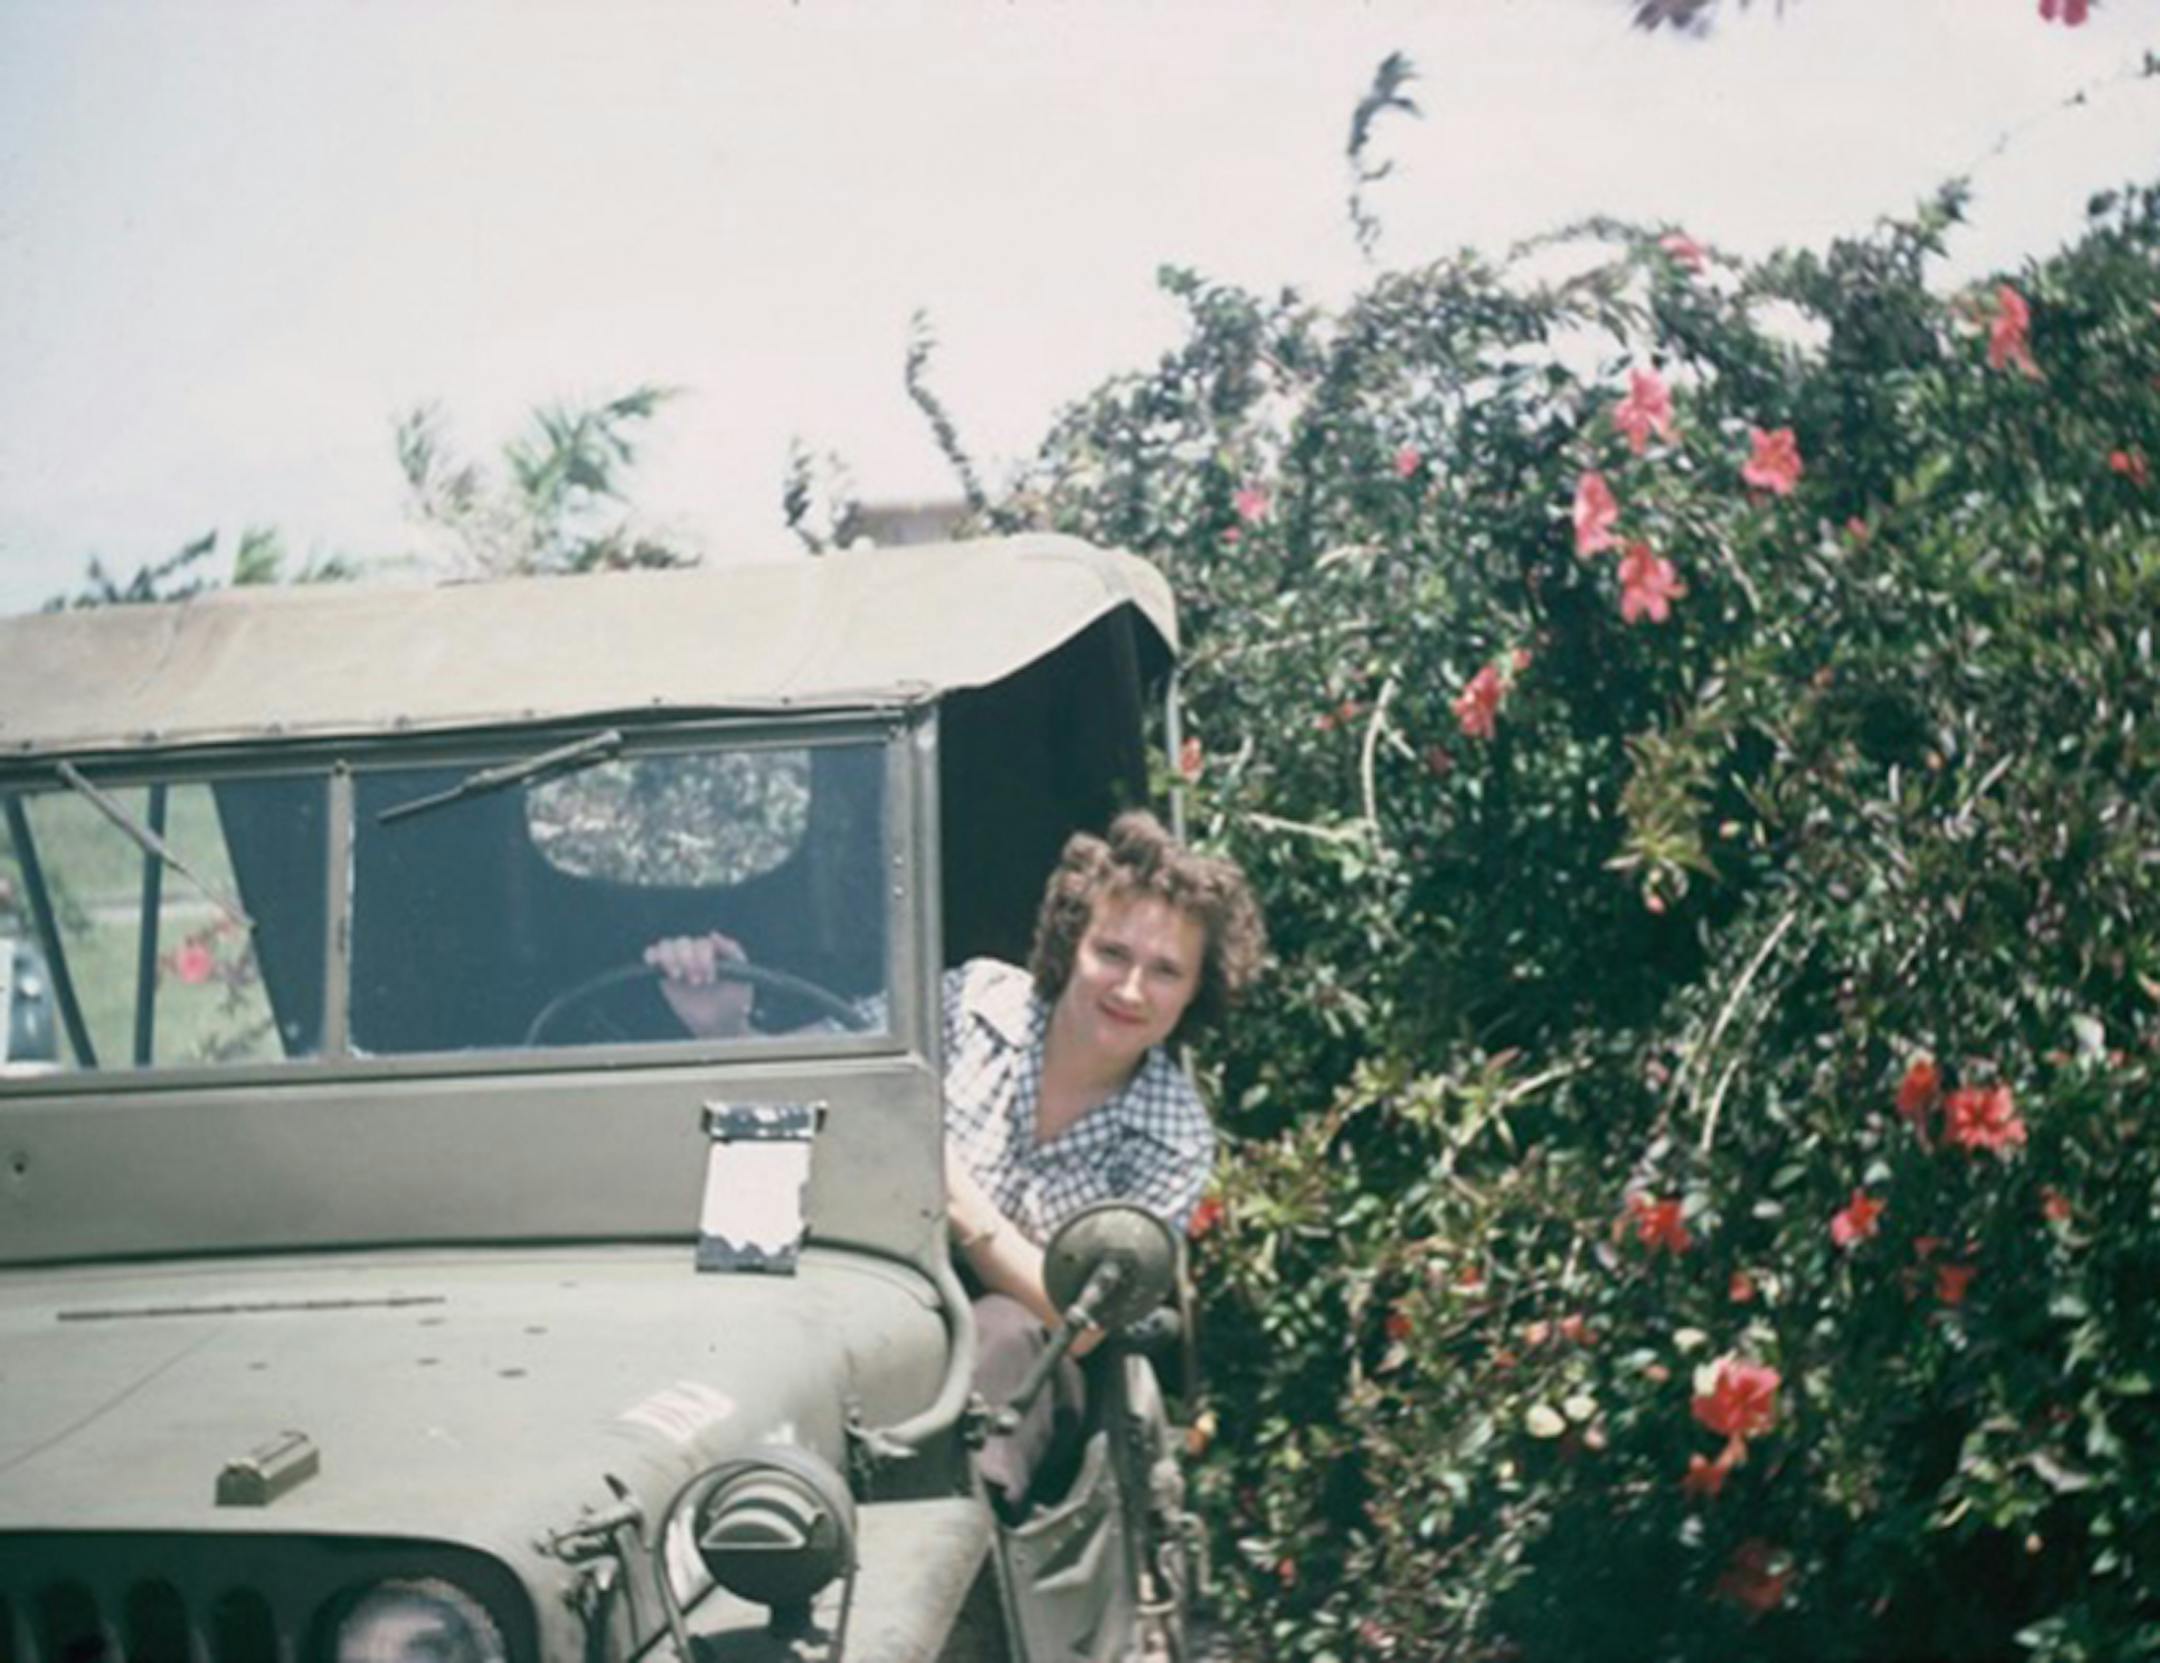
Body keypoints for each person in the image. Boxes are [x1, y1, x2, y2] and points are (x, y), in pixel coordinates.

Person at [646, 808, 1264, 1513]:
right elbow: (824, 1070)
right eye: (1112, 953)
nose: (1129, 989)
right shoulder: (973, 1001)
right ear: (1072, 941)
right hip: (876, 1294)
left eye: (1164, 971)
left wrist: (956, 1199)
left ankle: (950, 1543)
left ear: (1194, 991)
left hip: (1027, 1385)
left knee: (1007, 1329)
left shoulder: (1175, 1131)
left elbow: (1082, 1322)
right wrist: (726, 1025)